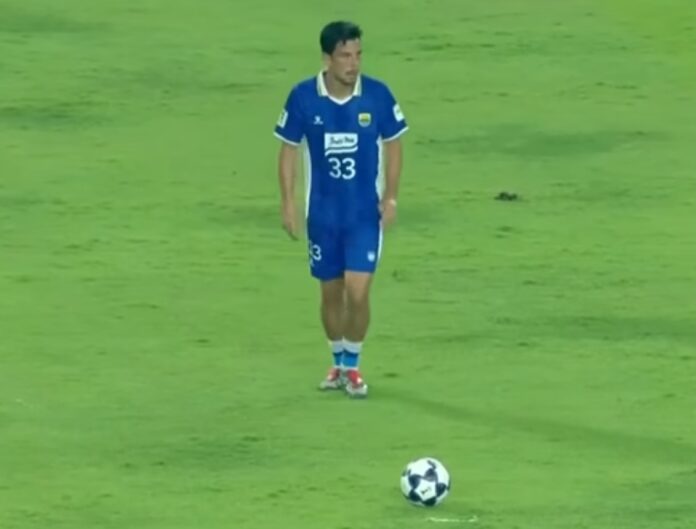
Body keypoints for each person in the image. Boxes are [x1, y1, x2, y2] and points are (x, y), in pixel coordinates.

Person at [273, 20, 408, 398]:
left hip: (364, 216)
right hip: (322, 217)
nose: (354, 63)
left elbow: (394, 144)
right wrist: (288, 202)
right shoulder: (303, 97)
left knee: (358, 293)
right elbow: (288, 150)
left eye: (358, 55)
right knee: (331, 295)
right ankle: (337, 362)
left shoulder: (377, 96)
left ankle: (353, 366)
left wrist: (391, 197)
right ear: (327, 59)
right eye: (345, 56)